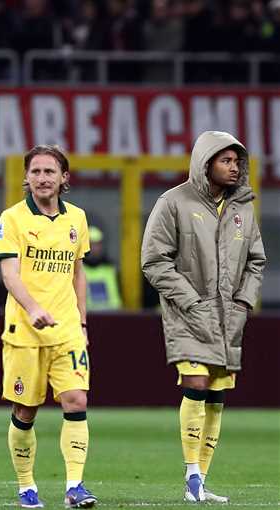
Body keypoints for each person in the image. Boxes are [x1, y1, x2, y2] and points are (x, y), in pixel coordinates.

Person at [141, 131, 265, 504]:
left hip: (228, 318)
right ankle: (192, 473)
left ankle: (201, 480)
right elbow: (153, 260)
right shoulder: (173, 202)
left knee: (216, 392)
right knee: (196, 381)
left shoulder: (243, 207)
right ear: (205, 163)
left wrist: (243, 302)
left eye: (237, 161)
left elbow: (256, 261)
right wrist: (191, 301)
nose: (234, 167)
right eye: (225, 161)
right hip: (188, 314)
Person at [0, 145, 98, 508]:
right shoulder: (12, 219)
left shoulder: (77, 219)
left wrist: (82, 322)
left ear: (64, 177)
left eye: (49, 171)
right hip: (24, 330)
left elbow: (78, 274)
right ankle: (26, 486)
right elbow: (9, 274)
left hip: (67, 329)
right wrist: (33, 308)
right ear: (26, 177)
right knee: (26, 411)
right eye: (35, 171)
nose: (42, 178)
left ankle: (75, 486)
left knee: (77, 399)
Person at [84, 225, 122, 311]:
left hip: (111, 315)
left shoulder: (110, 269)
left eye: (98, 244)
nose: (95, 248)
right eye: (92, 244)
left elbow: (116, 300)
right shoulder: (77, 270)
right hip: (87, 315)